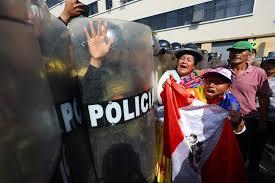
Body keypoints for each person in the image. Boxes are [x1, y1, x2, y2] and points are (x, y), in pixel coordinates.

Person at [226, 41, 271, 180]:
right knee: (226, 153)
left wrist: (263, 122)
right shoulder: (223, 70)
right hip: (224, 120)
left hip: (247, 120)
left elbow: (264, 99)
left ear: (249, 54)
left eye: (240, 51)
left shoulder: (258, 73)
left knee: (242, 154)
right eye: (233, 51)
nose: (236, 54)